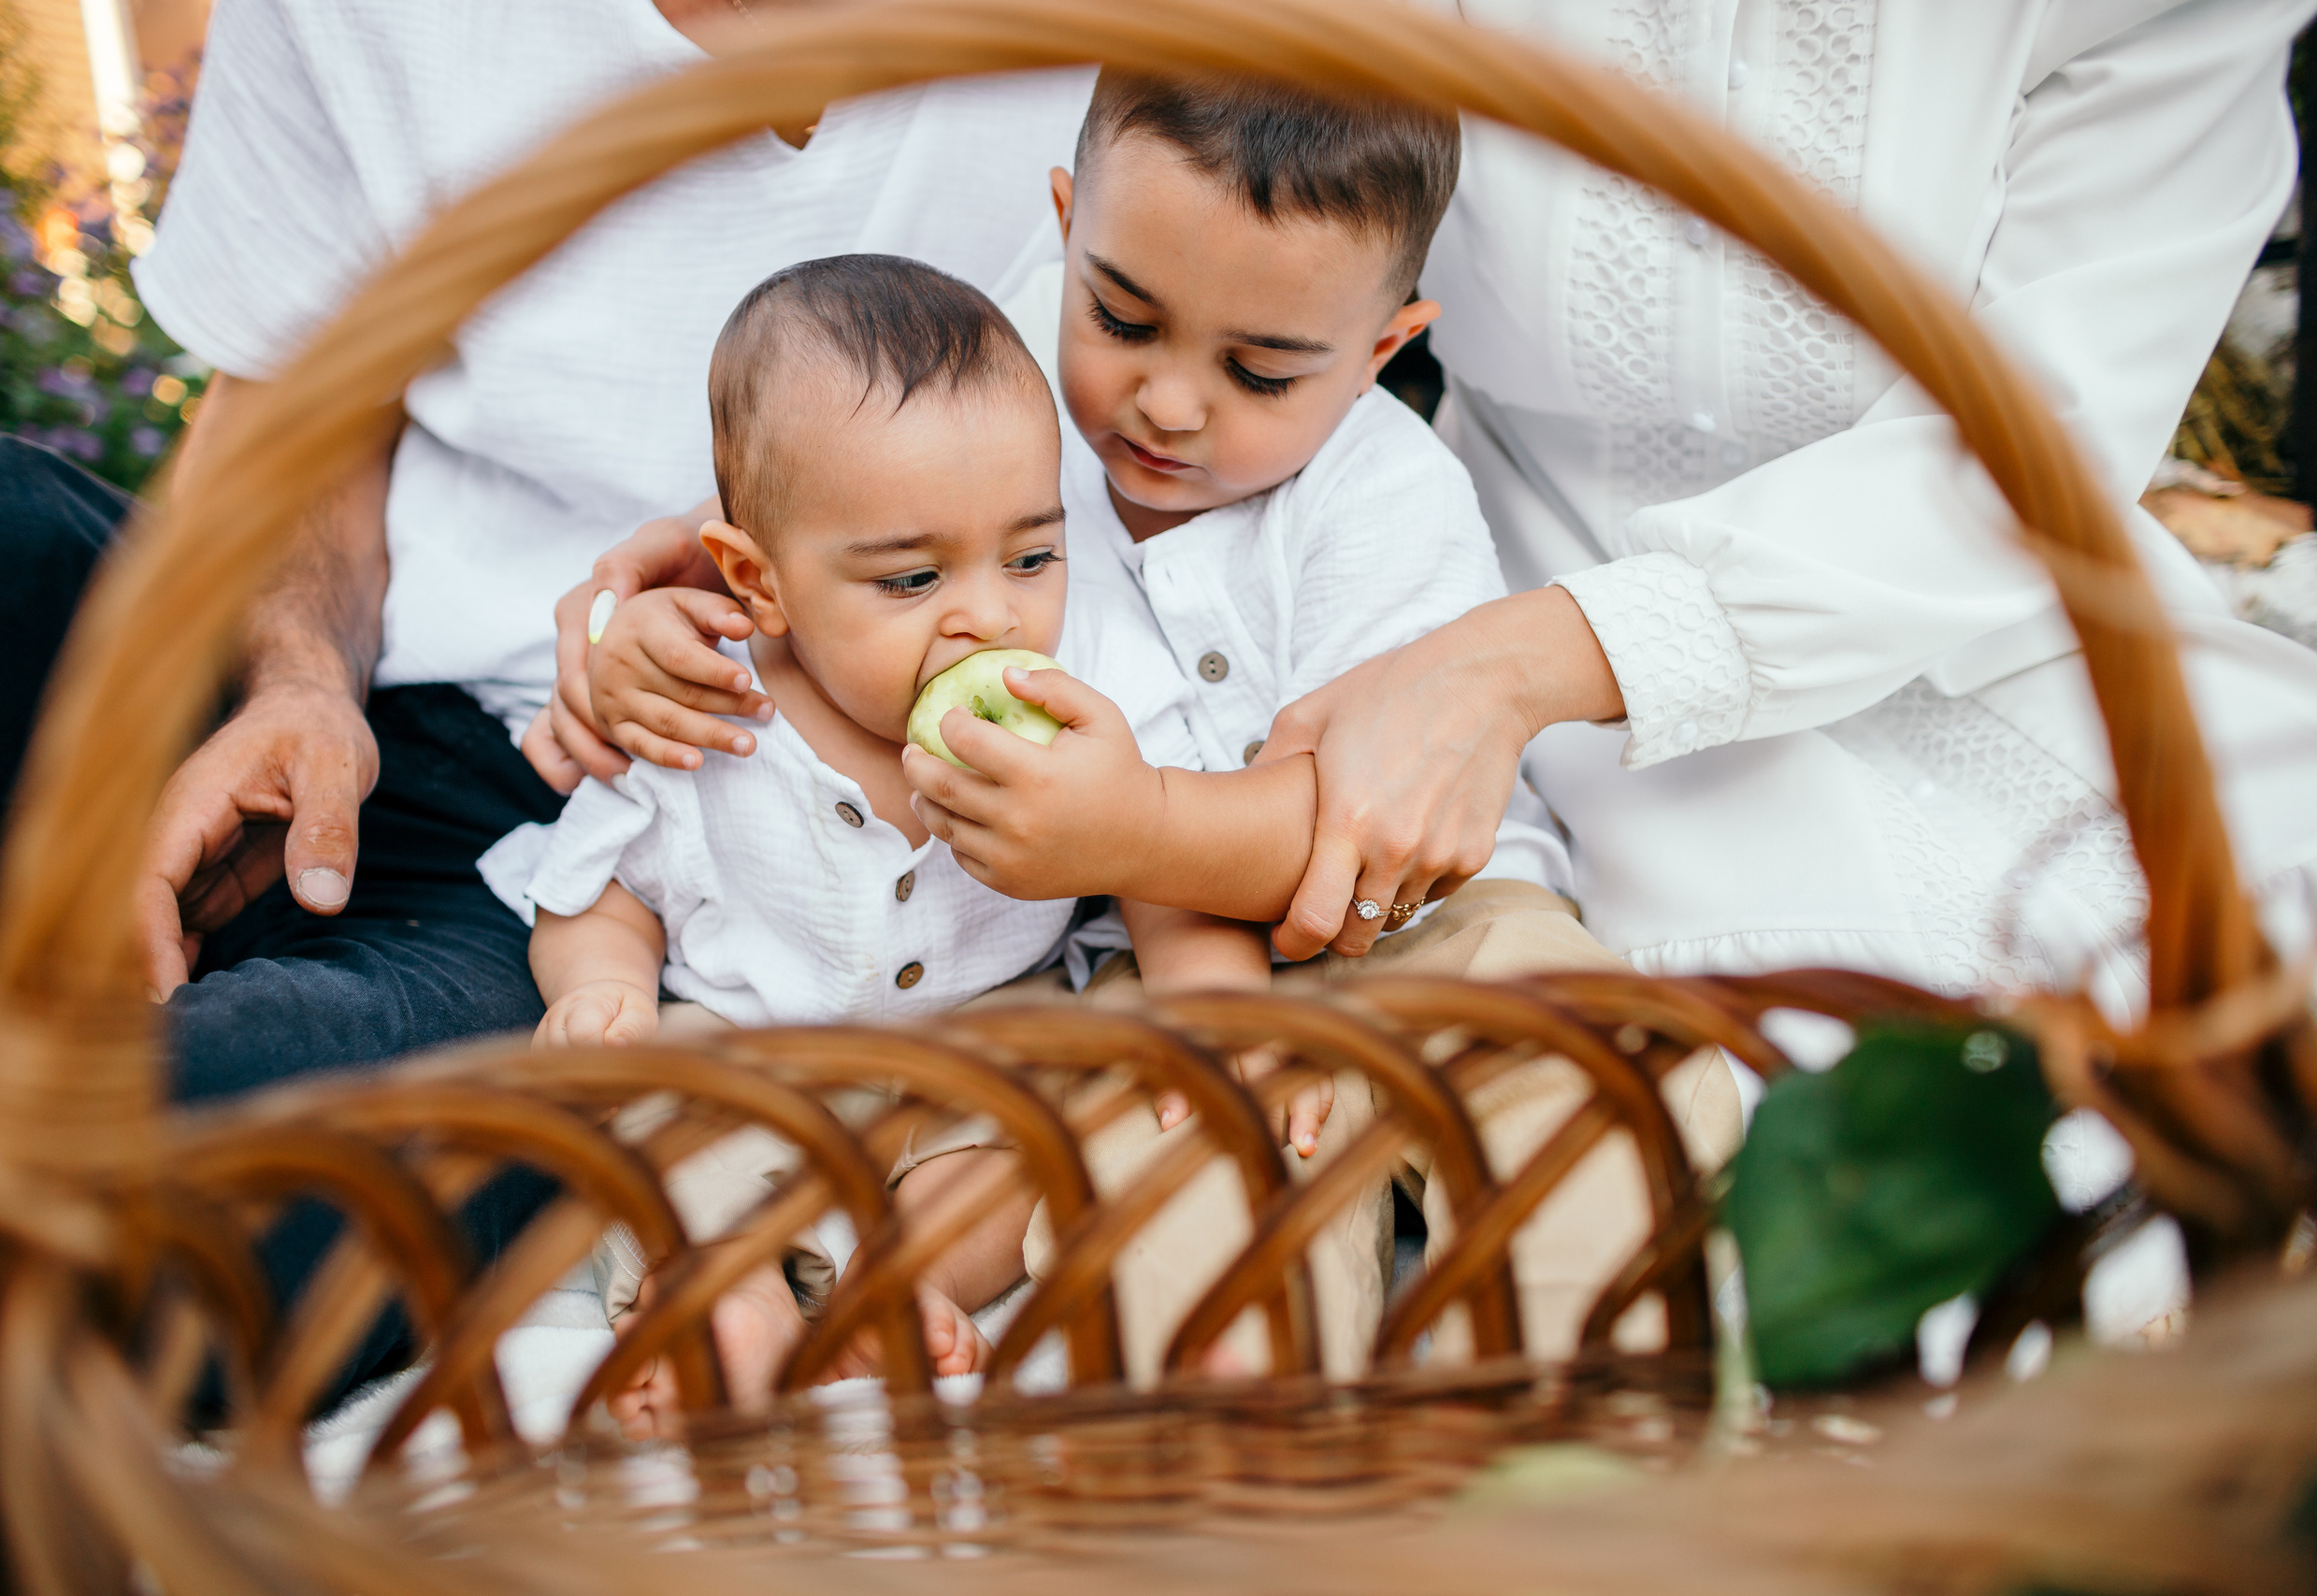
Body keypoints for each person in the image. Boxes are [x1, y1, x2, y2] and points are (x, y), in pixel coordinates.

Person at [0, 0, 1090, 1404]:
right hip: (361, 686)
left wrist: (1433, 662)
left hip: (580, 863)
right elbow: (288, 408)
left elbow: (1289, 330)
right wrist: (296, 681)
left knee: (185, 1152)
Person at [593, 73, 1740, 1376]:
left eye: (1259, 368)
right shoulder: (1004, 409)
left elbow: (1365, 820)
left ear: (1381, 351)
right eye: (1122, 318)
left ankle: (1583, 1414)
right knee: (1181, 1190)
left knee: (1591, 1089)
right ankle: (1221, 1474)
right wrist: (643, 624)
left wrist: (1126, 827)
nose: (1171, 405)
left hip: (1435, 916)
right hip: (1163, 959)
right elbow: (823, 519)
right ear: (1067, 233)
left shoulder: (1381, 495)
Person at [1228, 0, 2317, 1023]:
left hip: (2020, 605)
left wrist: (1506, 669)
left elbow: (2048, 424)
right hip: (1542, 575)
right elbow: (1186, 179)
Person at [489, 253, 1284, 1417]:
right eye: (912, 578)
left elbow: (1157, 875)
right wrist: (599, 993)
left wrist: (1218, 1012)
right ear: (758, 585)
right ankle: (729, 1299)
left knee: (1041, 1143)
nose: (990, 614)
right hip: (749, 1055)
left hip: (981, 1046)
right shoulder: (706, 707)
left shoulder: (1087, 685)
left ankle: (891, 1289)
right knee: (654, 1126)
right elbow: (596, 890)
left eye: (1031, 555)